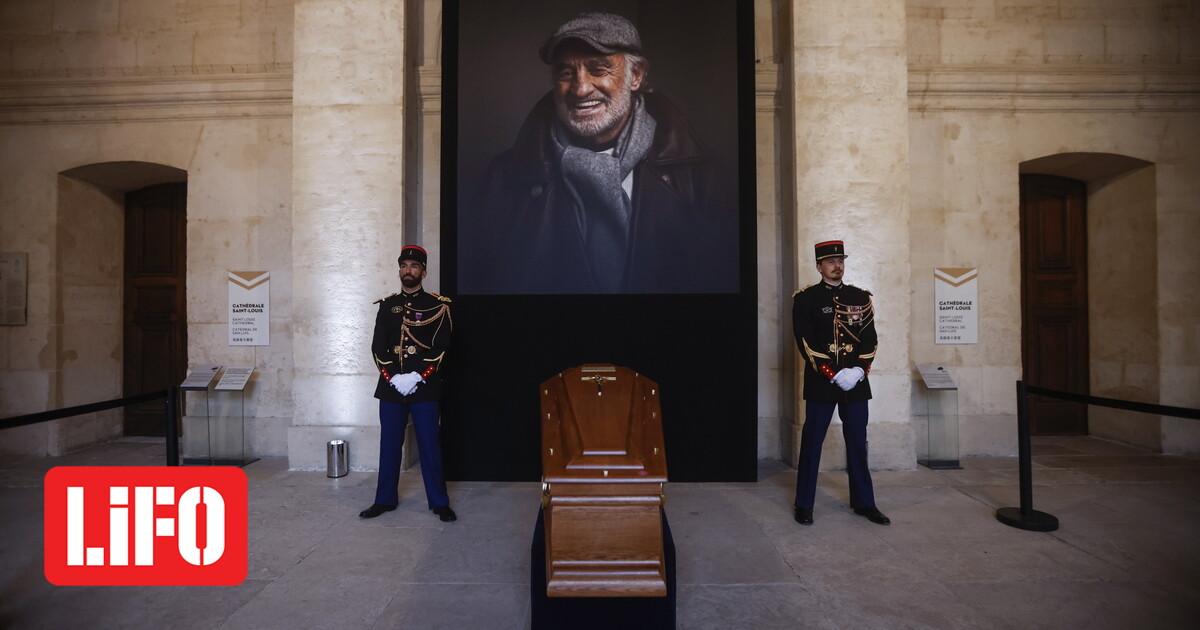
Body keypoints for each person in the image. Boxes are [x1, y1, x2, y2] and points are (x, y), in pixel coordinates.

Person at [460, 11, 737, 294]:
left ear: (635, 77)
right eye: (566, 72)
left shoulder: (700, 176)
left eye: (598, 69)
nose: (581, 89)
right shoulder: (500, 180)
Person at [791, 240, 889, 526]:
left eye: (841, 260)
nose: (838, 266)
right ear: (819, 266)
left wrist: (858, 371)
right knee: (812, 442)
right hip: (823, 381)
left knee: (858, 442)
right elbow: (805, 341)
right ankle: (804, 504)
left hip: (856, 383)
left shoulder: (860, 296)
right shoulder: (805, 299)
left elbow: (870, 339)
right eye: (831, 261)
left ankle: (865, 503)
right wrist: (833, 373)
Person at [359, 245, 457, 522]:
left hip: (424, 386)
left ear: (423, 272)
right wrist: (394, 377)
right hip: (392, 387)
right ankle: (384, 500)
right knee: (389, 445)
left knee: (429, 445)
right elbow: (378, 347)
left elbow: (442, 346)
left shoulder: (439, 305)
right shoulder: (388, 305)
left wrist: (416, 377)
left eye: (414, 266)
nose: (408, 270)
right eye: (404, 265)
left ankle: (439, 502)